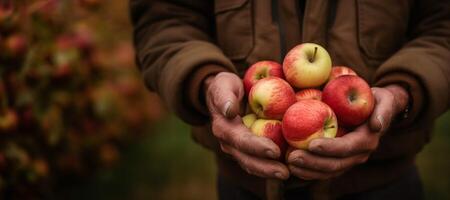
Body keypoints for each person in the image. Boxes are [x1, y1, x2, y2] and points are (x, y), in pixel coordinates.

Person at [130, 0, 450, 199]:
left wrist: (403, 91)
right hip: (243, 185)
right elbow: (166, 18)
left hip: (384, 184)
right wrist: (205, 80)